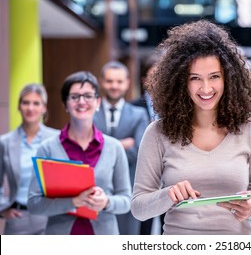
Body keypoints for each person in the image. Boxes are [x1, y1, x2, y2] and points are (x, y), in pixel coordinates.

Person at [130, 20, 251, 235]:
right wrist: (168, 195)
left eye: (214, 77)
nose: (206, 88)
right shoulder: (158, 132)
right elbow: (139, 208)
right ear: (180, 82)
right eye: (195, 78)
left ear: (229, 78)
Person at [28, 71, 131, 235]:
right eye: (74, 97)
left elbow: (127, 201)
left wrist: (106, 202)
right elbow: (34, 204)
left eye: (88, 96)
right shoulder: (47, 148)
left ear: (98, 102)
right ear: (65, 104)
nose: (82, 102)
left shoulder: (114, 147)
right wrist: (73, 202)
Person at [94, 60, 149, 235]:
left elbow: (140, 152)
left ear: (127, 83)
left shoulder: (139, 115)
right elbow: (86, 150)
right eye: (110, 81)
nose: (114, 86)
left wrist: (102, 145)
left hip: (128, 191)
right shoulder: (90, 113)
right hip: (95, 193)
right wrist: (121, 144)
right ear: (101, 82)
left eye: (119, 81)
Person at [0, 84, 58, 234]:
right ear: (19, 106)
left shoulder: (56, 139)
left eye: (36, 103)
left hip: (50, 219)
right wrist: (2, 208)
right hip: (18, 219)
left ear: (44, 108)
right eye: (25, 102)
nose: (30, 108)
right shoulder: (5, 142)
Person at [132, 52, 164, 235]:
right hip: (143, 174)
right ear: (144, 80)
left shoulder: (173, 108)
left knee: (166, 224)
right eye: (153, 77)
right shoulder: (134, 107)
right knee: (143, 227)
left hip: (167, 176)